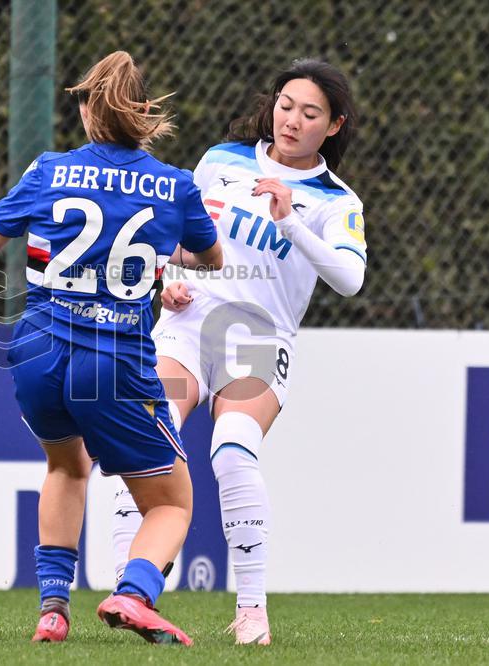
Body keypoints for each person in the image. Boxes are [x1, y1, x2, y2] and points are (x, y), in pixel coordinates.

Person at [0, 51, 222, 646]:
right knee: (173, 503)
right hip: (113, 367)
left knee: (66, 465)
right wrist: (161, 254)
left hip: (37, 353)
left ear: (86, 110)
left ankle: (53, 608)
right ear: (144, 114)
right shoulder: (175, 186)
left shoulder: (49, 169)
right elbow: (212, 257)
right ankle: (133, 595)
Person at [110, 58, 366, 645]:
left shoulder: (334, 200)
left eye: (310, 113)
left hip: (257, 338)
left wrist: (292, 222)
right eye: (286, 105)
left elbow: (350, 279)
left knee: (232, 451)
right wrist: (162, 277)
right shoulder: (222, 160)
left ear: (334, 125)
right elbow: (178, 238)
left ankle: (251, 614)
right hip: (188, 322)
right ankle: (131, 594)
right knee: (144, 443)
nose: (292, 120)